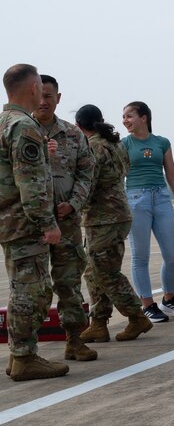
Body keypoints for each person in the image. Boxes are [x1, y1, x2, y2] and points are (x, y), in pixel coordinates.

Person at [1, 63, 68, 381]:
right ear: (33, 88)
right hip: (26, 223)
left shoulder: (4, 122)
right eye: (41, 84)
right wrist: (47, 222)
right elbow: (29, 182)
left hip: (9, 221)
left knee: (22, 289)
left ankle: (19, 355)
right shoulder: (23, 127)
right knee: (34, 291)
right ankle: (25, 357)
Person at [75, 104, 153, 343]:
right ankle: (98, 323)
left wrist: (72, 205)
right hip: (117, 215)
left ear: (79, 127)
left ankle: (136, 316)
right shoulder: (116, 144)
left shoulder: (93, 147)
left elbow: (89, 183)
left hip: (103, 218)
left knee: (105, 272)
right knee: (93, 272)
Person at [32, 75, 96, 362]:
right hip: (32, 223)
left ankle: (75, 339)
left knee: (69, 282)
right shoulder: (20, 130)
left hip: (67, 221)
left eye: (49, 96)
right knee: (34, 286)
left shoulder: (73, 134)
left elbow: (87, 172)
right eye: (40, 95)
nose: (44, 101)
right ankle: (26, 350)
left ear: (58, 98)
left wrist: (73, 204)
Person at [122, 101, 174, 322]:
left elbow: (172, 174)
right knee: (140, 255)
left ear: (144, 117)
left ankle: (169, 298)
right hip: (135, 199)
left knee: (172, 254)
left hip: (161, 198)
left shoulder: (162, 142)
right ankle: (147, 304)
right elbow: (116, 176)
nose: (125, 120)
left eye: (129, 116)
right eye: (123, 117)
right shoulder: (123, 144)